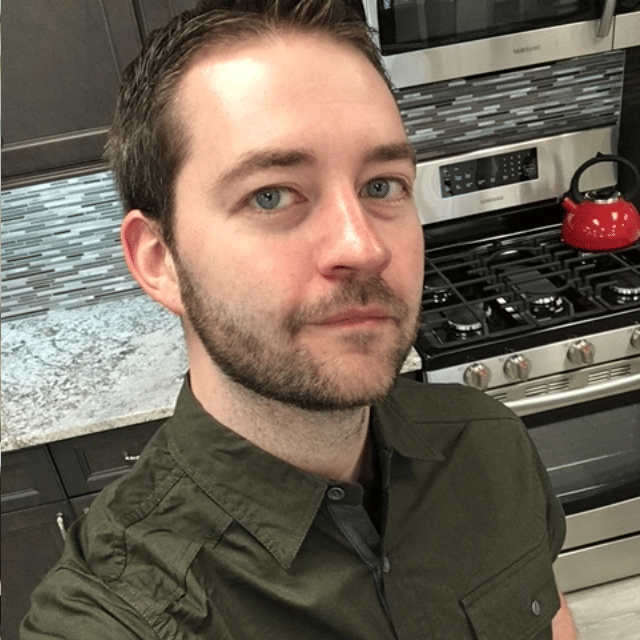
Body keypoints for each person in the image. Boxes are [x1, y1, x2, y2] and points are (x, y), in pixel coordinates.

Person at [22, 1, 578, 638]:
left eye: (381, 185)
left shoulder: (489, 443)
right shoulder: (111, 614)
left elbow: (554, 619)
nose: (363, 247)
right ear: (159, 260)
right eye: (271, 195)